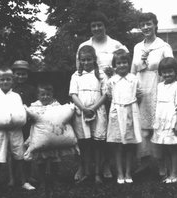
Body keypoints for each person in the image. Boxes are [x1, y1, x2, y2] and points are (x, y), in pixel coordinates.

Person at [76, 11, 129, 179]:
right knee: (84, 135)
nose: (97, 28)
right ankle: (83, 167)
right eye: (93, 26)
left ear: (105, 26)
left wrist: (113, 71)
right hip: (88, 95)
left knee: (104, 132)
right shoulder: (84, 45)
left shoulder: (116, 45)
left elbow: (125, 66)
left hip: (109, 94)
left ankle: (105, 165)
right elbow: (78, 69)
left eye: (100, 25)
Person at [130, 12, 174, 176]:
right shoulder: (136, 47)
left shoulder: (163, 46)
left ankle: (163, 165)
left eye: (149, 23)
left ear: (155, 25)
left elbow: (172, 68)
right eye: (142, 24)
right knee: (142, 130)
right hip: (141, 91)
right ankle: (144, 162)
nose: (145, 27)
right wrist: (133, 90)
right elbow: (133, 71)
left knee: (158, 128)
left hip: (157, 89)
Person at [0, 68, 35, 196]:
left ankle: (24, 182)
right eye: (2, 79)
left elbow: (21, 112)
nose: (5, 81)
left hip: (16, 131)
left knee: (20, 156)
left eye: (8, 79)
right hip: (0, 132)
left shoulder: (16, 96)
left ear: (12, 81)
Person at [25, 83, 78, 198]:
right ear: (38, 95)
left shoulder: (56, 105)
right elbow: (30, 117)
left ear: (52, 94)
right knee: (40, 161)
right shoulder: (34, 106)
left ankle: (55, 180)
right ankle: (43, 182)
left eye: (48, 94)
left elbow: (62, 116)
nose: (45, 97)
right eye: (42, 94)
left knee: (54, 160)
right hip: (40, 138)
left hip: (55, 137)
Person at [70, 45, 108, 184]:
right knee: (84, 143)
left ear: (94, 59)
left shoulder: (101, 74)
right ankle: (86, 172)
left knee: (98, 143)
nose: (86, 63)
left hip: (98, 111)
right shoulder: (76, 75)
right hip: (81, 113)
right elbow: (73, 94)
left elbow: (105, 94)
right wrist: (84, 109)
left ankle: (98, 172)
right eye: (83, 60)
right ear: (79, 60)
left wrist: (93, 108)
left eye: (89, 59)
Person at [106, 49, 142, 184]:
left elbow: (139, 94)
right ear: (115, 65)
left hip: (130, 113)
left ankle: (128, 172)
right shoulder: (112, 81)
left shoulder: (134, 79)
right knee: (118, 145)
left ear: (128, 63)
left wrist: (131, 108)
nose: (122, 65)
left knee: (129, 145)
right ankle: (120, 173)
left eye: (125, 62)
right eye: (119, 63)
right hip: (116, 113)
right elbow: (109, 95)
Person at [11, 60, 37, 183]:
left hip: (27, 124)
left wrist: (32, 115)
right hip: (14, 125)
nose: (21, 76)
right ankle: (13, 177)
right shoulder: (9, 89)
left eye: (23, 74)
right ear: (13, 74)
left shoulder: (32, 89)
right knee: (13, 150)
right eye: (18, 74)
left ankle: (28, 175)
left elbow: (35, 105)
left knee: (28, 149)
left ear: (27, 75)